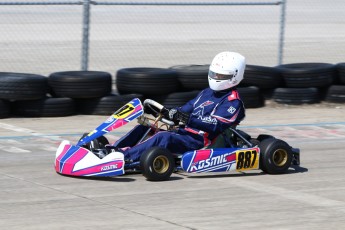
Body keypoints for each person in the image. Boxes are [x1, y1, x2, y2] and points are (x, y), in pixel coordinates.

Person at [112, 51, 246, 162]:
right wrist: (168, 112)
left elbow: (215, 125)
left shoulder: (233, 102)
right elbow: (186, 108)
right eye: (214, 74)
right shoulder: (207, 93)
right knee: (144, 127)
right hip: (184, 133)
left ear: (234, 76)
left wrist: (187, 118)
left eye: (221, 75)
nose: (216, 77)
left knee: (163, 137)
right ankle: (112, 150)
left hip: (201, 141)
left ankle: (124, 157)